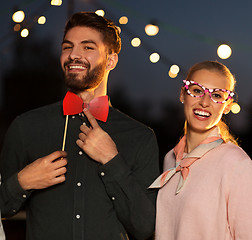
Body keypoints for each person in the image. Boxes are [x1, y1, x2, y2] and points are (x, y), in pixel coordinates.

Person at [0, 12, 159, 240]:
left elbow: (144, 227)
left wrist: (112, 161)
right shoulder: (26, 127)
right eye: (67, 47)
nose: (73, 55)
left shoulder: (140, 137)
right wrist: (23, 182)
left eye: (87, 47)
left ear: (111, 60)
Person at [149, 61, 252, 239]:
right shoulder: (170, 160)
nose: (204, 102)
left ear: (227, 105)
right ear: (183, 94)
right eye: (196, 91)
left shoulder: (236, 164)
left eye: (217, 95)